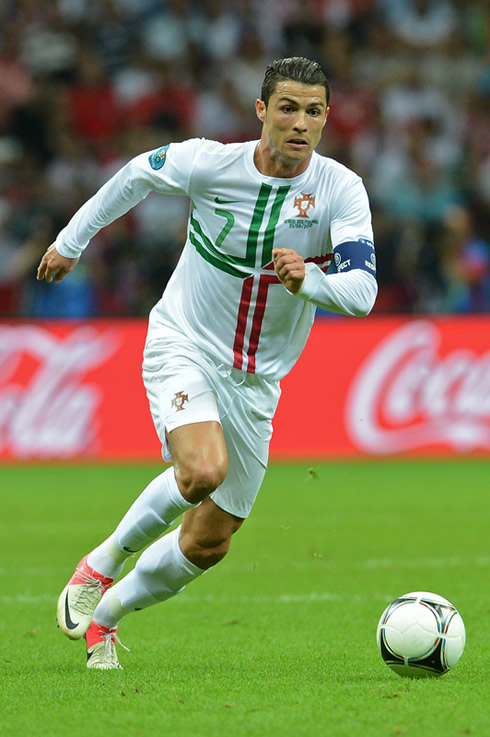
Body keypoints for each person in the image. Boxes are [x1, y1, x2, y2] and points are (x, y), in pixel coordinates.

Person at [37, 56, 377, 670]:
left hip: (257, 382)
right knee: (201, 472)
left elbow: (362, 292)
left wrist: (311, 282)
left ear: (326, 119)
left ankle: (106, 619)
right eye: (288, 107)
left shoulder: (339, 189)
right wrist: (71, 240)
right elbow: (136, 175)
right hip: (184, 342)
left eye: (315, 111)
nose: (301, 123)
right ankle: (102, 562)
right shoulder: (209, 162)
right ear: (261, 110)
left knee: (210, 540)